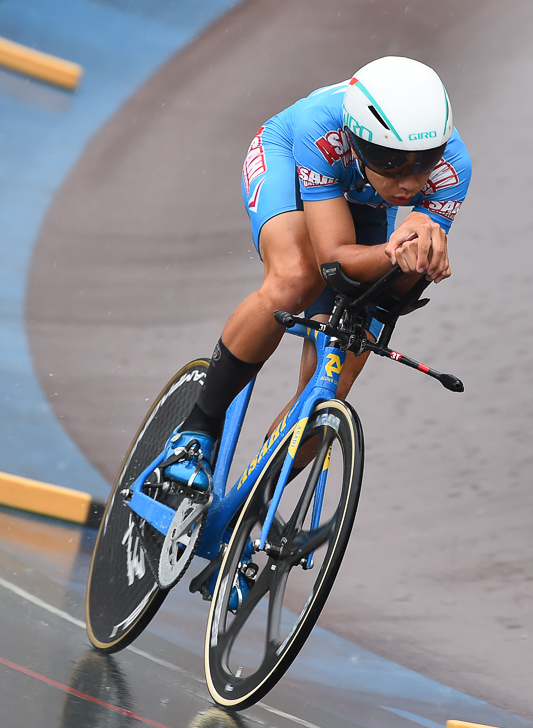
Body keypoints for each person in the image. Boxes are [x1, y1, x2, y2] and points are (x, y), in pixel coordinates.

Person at [164, 55, 471, 491]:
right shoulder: (319, 126)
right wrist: (394, 248)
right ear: (361, 141)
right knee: (296, 277)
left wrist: (419, 260)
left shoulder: (453, 168)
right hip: (290, 157)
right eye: (391, 162)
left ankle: (254, 504)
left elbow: (392, 291)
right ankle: (195, 432)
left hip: (363, 200)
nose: (409, 182)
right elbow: (334, 260)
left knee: (344, 362)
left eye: (423, 163)